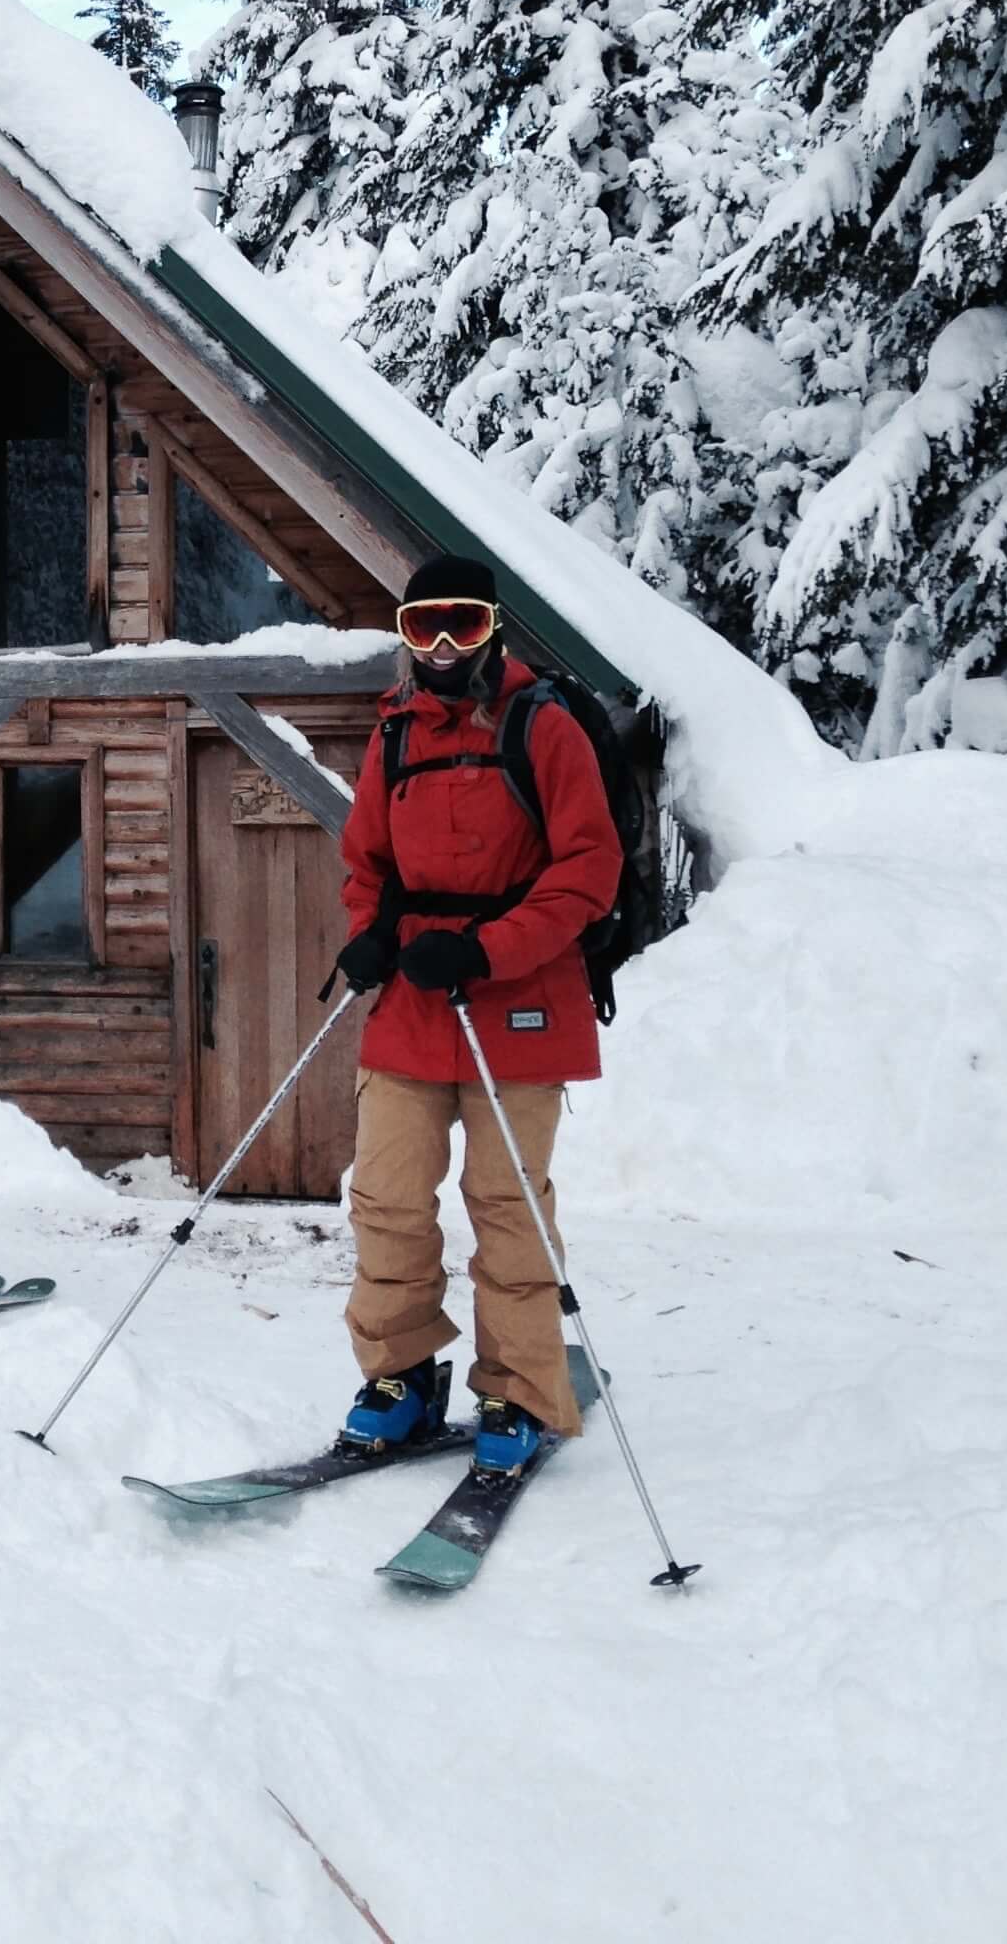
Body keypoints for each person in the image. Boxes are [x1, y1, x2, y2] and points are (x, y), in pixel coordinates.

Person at [327, 552, 620, 1471]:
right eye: (424, 628)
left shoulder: (545, 726)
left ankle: (521, 1388)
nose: (445, 647)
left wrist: (490, 950)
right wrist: (371, 933)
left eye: (465, 625)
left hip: (519, 999)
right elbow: (365, 859)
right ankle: (401, 1374)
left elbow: (587, 870)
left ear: (496, 628)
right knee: (386, 1196)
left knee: (507, 1206)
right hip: (416, 997)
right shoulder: (397, 733)